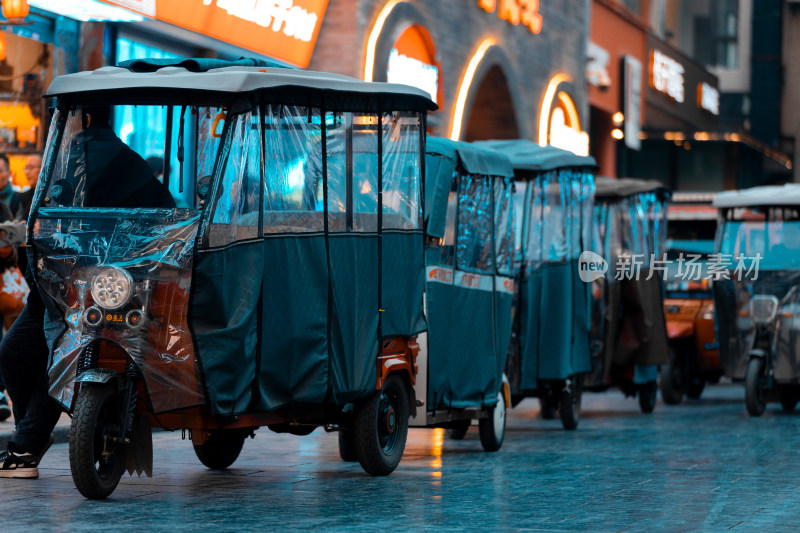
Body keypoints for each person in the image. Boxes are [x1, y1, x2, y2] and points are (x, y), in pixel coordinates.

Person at [0, 105, 175, 478]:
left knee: (60, 359)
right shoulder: (84, 156)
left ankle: (27, 445)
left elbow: (161, 214)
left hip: (95, 289)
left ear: (83, 118)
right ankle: (29, 437)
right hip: (55, 285)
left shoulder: (93, 157)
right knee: (15, 351)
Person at [15, 153, 42, 220]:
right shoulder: (23, 197)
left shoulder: (52, 198)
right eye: (26, 168)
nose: (26, 172)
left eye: (30, 167)